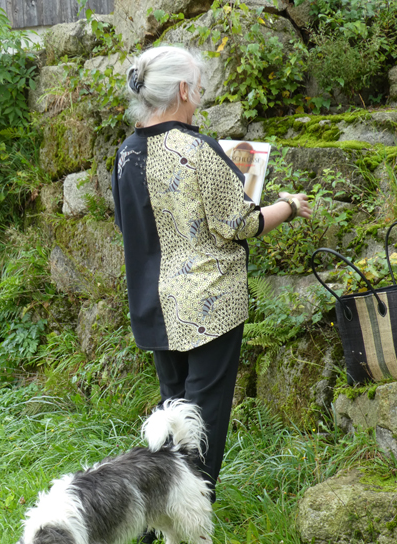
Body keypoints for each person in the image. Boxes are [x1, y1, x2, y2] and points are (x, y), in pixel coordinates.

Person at [111, 45, 312, 511]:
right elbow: (240, 224)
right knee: (201, 416)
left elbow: (128, 223)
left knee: (172, 413)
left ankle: (154, 511)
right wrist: (288, 206)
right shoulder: (198, 150)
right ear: (182, 90)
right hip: (207, 305)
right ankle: (190, 515)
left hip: (153, 303)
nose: (199, 96)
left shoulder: (126, 153)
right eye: (198, 87)